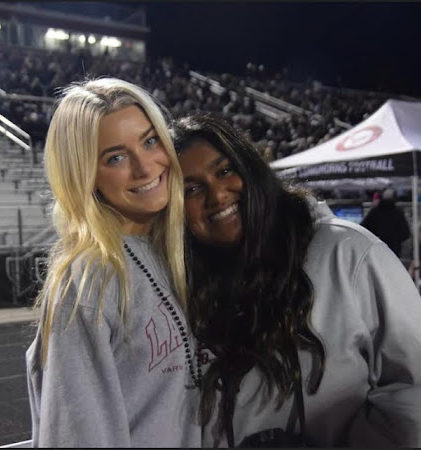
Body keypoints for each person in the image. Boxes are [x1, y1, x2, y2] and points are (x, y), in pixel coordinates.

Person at [171, 113, 421, 448]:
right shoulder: (179, 285)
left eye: (225, 170)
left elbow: (413, 384)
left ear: (251, 168)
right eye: (192, 189)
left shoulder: (347, 253)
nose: (217, 196)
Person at [25, 78, 201, 447]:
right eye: (116, 157)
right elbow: (76, 436)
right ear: (85, 174)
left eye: (150, 141)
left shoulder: (174, 249)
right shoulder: (90, 279)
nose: (145, 167)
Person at [361, 187, 410, 258]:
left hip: (376, 248)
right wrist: (396, 240)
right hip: (394, 249)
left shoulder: (375, 212)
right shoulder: (398, 213)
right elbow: (405, 233)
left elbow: (364, 227)